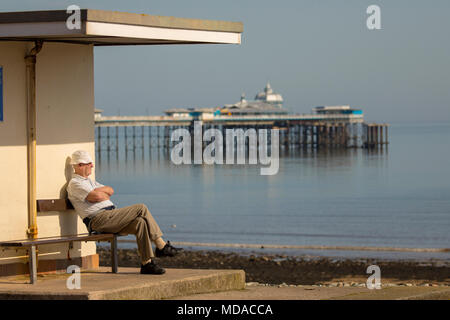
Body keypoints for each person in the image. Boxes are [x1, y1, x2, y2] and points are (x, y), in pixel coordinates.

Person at [67, 150, 181, 275]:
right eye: (89, 163)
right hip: (98, 220)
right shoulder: (75, 184)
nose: (92, 166)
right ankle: (161, 246)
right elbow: (97, 197)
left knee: (140, 222)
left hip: (110, 217)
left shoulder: (89, 182)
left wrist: (101, 193)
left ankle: (147, 264)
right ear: (80, 165)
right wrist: (100, 194)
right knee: (141, 208)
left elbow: (110, 190)